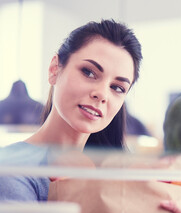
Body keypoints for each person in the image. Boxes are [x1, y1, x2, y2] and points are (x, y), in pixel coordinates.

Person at [0, 19, 142, 201]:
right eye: (89, 72)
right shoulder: (11, 166)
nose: (102, 94)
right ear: (54, 70)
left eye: (117, 87)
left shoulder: (117, 175)